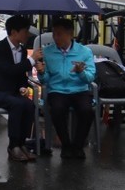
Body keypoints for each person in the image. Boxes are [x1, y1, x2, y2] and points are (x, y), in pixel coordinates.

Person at [34, 18, 96, 160]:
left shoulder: (84, 52)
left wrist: (81, 72)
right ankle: (66, 145)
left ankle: (78, 145)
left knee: (87, 111)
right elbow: (45, 80)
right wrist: (42, 72)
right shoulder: (47, 52)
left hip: (79, 89)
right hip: (57, 90)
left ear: (70, 34)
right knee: (57, 109)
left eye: (59, 34)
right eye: (54, 34)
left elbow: (91, 77)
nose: (56, 38)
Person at [0, 15, 37, 162]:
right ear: (14, 32)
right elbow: (8, 70)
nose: (28, 34)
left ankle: (22, 142)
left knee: (28, 104)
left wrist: (22, 87)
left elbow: (20, 74)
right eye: (25, 31)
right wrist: (31, 60)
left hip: (13, 92)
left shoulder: (21, 50)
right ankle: (13, 145)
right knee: (17, 104)